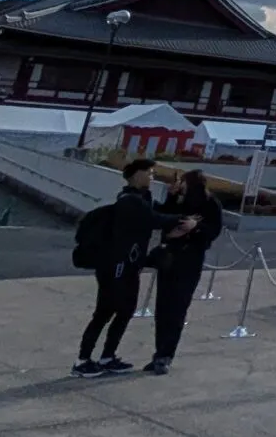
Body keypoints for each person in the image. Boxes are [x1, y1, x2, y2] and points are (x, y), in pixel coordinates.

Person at [76, 159, 184, 377]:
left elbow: (159, 212)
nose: (152, 177)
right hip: (115, 266)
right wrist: (185, 220)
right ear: (136, 175)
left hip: (131, 265)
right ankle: (82, 361)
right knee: (105, 312)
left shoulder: (142, 199)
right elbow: (155, 219)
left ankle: (107, 357)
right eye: (149, 173)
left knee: (125, 310)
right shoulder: (129, 201)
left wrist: (172, 197)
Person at [146, 168, 223, 374]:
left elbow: (214, 230)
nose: (180, 185)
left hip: (190, 259)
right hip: (169, 257)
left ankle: (166, 354)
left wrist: (195, 227)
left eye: (183, 182)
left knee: (177, 308)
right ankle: (159, 352)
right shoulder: (177, 200)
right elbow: (162, 216)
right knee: (162, 307)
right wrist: (171, 197)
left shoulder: (210, 204)